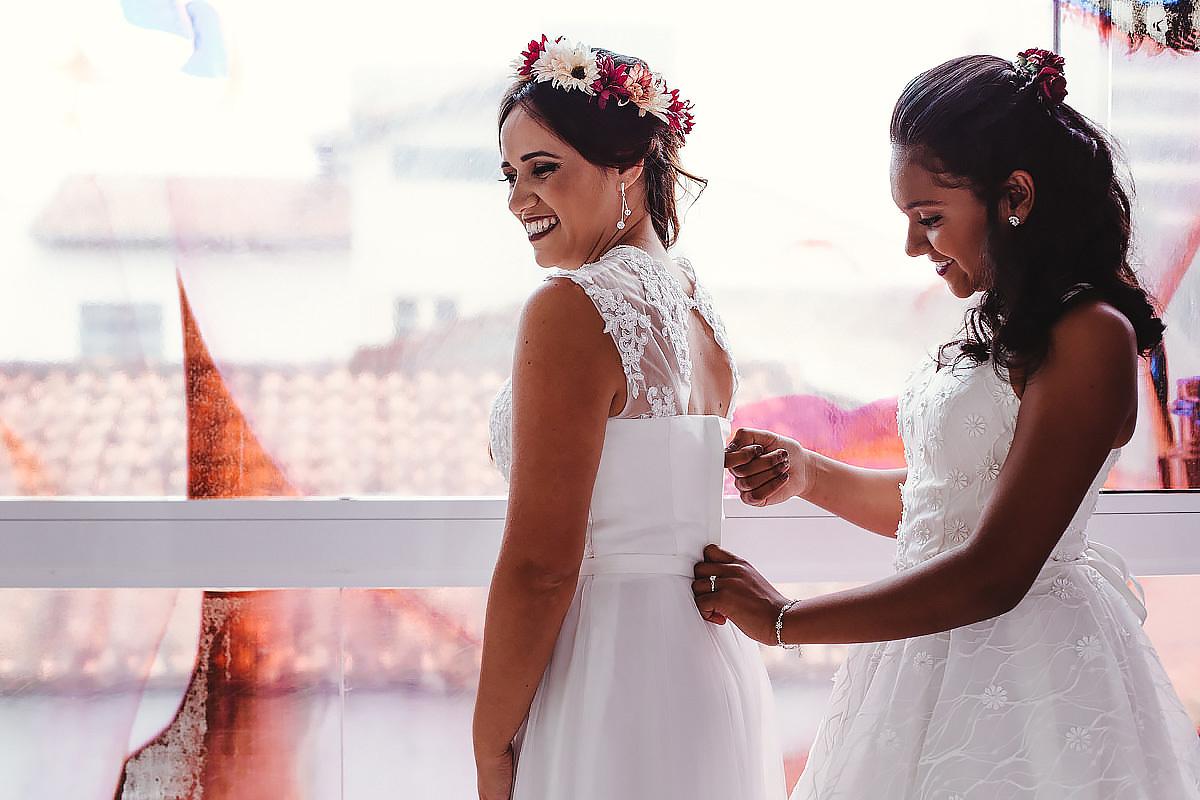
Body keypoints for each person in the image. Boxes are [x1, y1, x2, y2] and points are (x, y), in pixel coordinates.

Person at [695, 50, 1200, 799]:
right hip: (917, 662)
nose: (912, 246)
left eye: (928, 218)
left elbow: (997, 570)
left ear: (1014, 197)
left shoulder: (1092, 332)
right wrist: (809, 472)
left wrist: (781, 619)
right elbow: (950, 505)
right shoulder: (1003, 324)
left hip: (1028, 679)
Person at [473, 36, 785, 800]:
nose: (519, 200)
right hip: (709, 673)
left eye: (544, 170)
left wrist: (488, 745)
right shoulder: (694, 303)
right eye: (510, 176)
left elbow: (543, 565)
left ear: (631, 167)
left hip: (609, 673)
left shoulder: (571, 308)